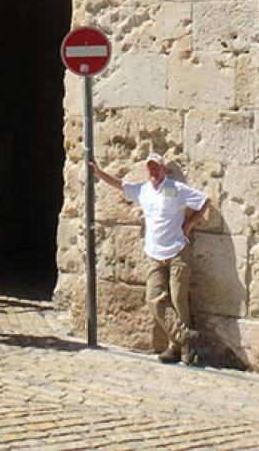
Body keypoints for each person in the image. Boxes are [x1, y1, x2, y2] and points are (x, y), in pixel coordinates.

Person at [91, 151, 210, 364]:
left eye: (157, 167)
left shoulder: (175, 189)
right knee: (154, 298)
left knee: (178, 298)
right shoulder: (143, 191)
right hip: (155, 253)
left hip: (177, 250)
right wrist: (99, 173)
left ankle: (177, 349)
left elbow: (204, 201)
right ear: (147, 170)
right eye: (150, 167)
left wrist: (190, 223)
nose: (154, 170)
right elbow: (120, 185)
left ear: (164, 169)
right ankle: (186, 337)